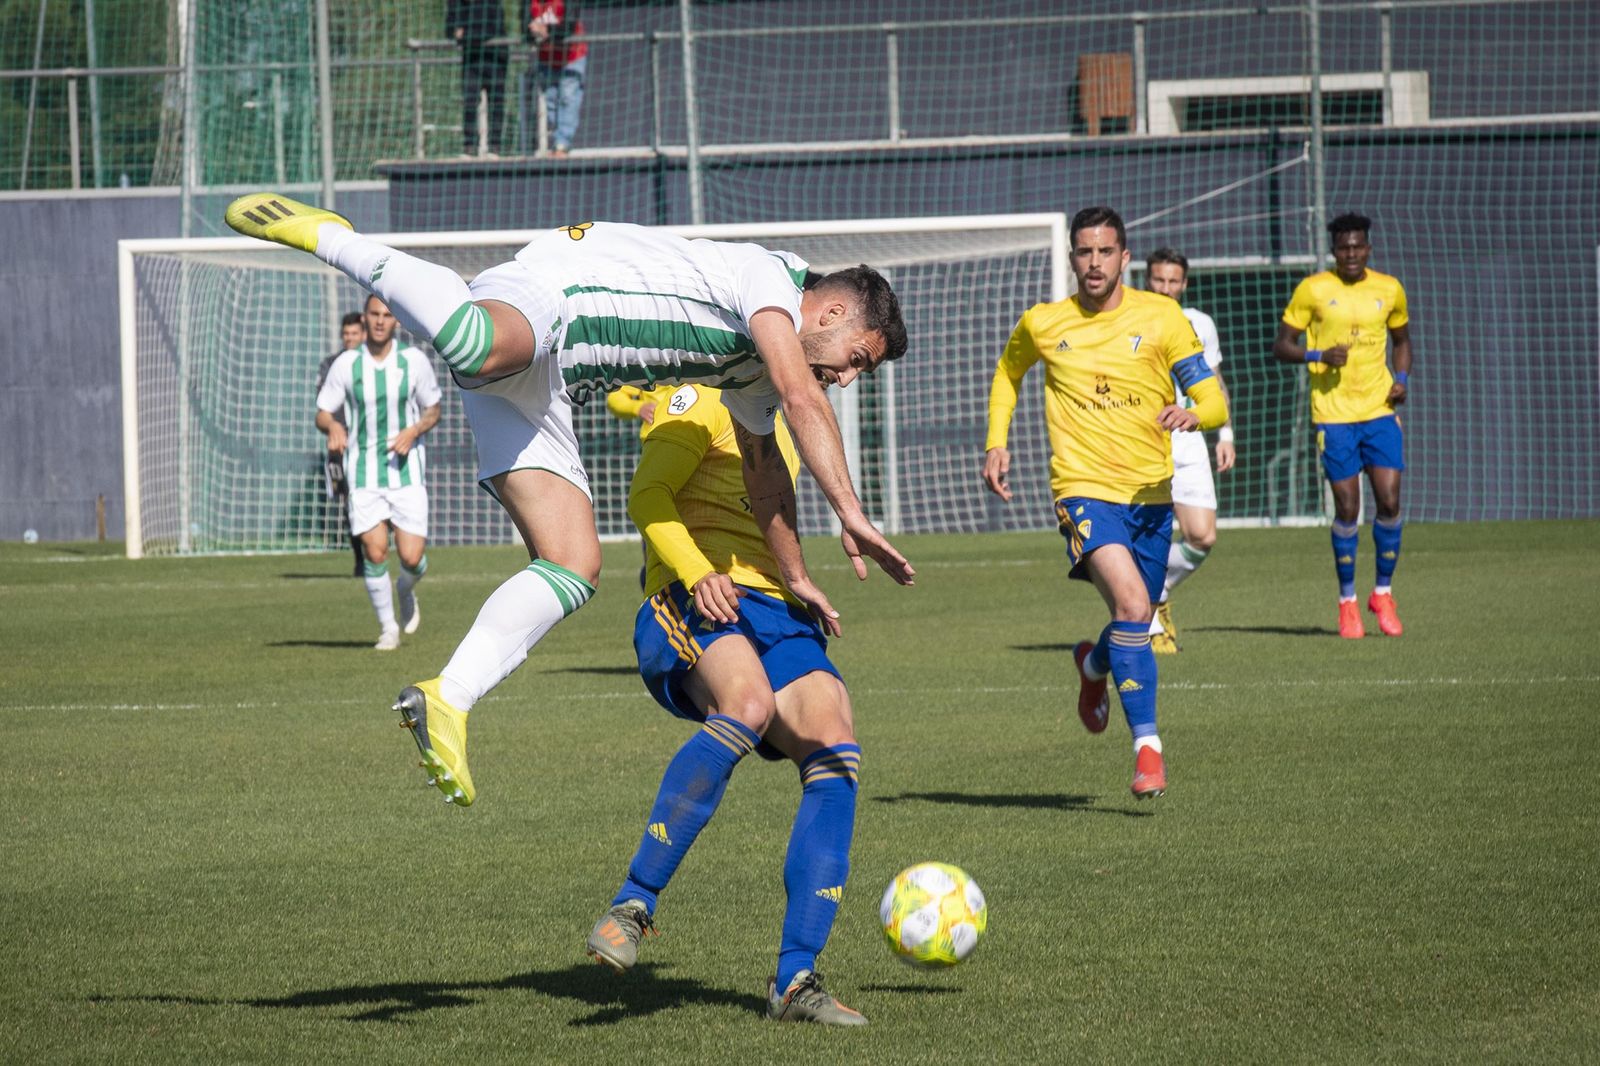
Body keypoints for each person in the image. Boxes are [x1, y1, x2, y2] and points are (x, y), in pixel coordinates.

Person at [224, 193, 914, 808]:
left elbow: (767, 474)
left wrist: (795, 575)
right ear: (828, 311)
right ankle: (339, 239)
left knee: (573, 562)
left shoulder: (758, 371)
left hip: (553, 380)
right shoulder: (769, 281)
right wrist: (853, 511)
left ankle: (447, 698)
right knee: (477, 343)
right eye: (857, 359)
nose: (848, 380)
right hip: (545, 293)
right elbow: (802, 396)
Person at [584, 383, 867, 1026]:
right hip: (693, 596)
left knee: (836, 749)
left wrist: (810, 571)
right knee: (747, 703)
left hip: (776, 609)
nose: (850, 379)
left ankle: (795, 981)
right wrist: (693, 570)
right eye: (857, 359)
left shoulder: (786, 417)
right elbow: (647, 495)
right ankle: (633, 904)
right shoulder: (701, 398)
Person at [982, 206, 1228, 799]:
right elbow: (1008, 374)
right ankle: (1148, 750)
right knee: (1133, 599)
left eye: (1105, 252)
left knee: (1133, 618)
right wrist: (997, 441)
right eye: (1084, 252)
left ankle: (1093, 667)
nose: (1094, 263)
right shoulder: (1044, 322)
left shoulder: (1163, 317)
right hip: (1082, 488)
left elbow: (1212, 399)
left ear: (1124, 256)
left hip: (1151, 493)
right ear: (1072, 257)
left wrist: (1196, 414)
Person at [1272, 213, 1412, 640]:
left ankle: (1383, 593)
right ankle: (1347, 602)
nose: (1351, 253)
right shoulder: (1313, 289)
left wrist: (1400, 381)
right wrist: (1317, 356)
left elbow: (1403, 341)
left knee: (1388, 502)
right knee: (1348, 508)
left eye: (1358, 246)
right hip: (1333, 417)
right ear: (1334, 250)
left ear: (1368, 248)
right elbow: (1281, 345)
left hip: (1378, 411)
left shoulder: (1388, 289)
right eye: (1344, 247)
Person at [315, 295, 442, 650]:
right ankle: (388, 629)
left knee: (412, 559)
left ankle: (404, 589)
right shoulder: (346, 364)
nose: (381, 321)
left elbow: (433, 410)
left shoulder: (413, 361)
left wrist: (414, 430)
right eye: (374, 314)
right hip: (364, 473)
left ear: (397, 322)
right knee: (373, 553)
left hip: (406, 472)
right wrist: (333, 428)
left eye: (387, 315)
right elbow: (323, 411)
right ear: (365, 318)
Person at [1143, 248, 1236, 653]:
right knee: (1142, 537)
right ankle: (1147, 622)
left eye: (1173, 281)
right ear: (1146, 280)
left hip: (1189, 439)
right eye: (1158, 280)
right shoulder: (1131, 318)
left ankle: (1157, 591)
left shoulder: (1200, 323)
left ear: (1184, 284)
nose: (1165, 288)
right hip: (1143, 443)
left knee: (1202, 536)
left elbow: (1213, 381)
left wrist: (1226, 433)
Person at [317, 311, 368, 578]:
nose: (349, 338)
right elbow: (324, 407)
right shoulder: (330, 365)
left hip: (370, 445)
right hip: (341, 447)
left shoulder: (374, 362)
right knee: (351, 503)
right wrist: (334, 429)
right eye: (345, 334)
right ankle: (361, 560)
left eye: (354, 334)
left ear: (364, 334)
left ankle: (376, 552)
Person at [447, 0, 508, 157]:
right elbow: (450, 27)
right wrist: (455, 31)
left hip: (495, 55)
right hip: (472, 57)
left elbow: (490, 28)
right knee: (469, 100)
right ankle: (469, 145)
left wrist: (465, 34)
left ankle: (495, 145)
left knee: (496, 100)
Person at [525, 1, 586, 157]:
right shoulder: (530, 3)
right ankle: (558, 140)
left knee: (568, 98)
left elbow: (569, 26)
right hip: (547, 59)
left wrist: (547, 30)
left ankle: (562, 144)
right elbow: (525, 28)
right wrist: (530, 31)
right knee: (551, 101)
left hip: (571, 56)